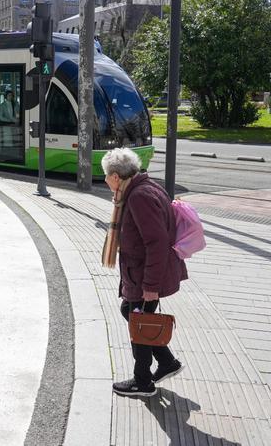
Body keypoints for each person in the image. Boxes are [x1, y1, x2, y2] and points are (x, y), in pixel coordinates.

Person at [102, 147, 187, 398]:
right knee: (132, 313)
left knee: (139, 322)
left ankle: (143, 382)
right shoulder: (144, 187)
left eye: (106, 176)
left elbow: (156, 243)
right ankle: (167, 362)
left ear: (116, 177)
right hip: (140, 272)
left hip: (144, 275)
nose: (105, 180)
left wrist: (150, 286)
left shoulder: (139, 197)